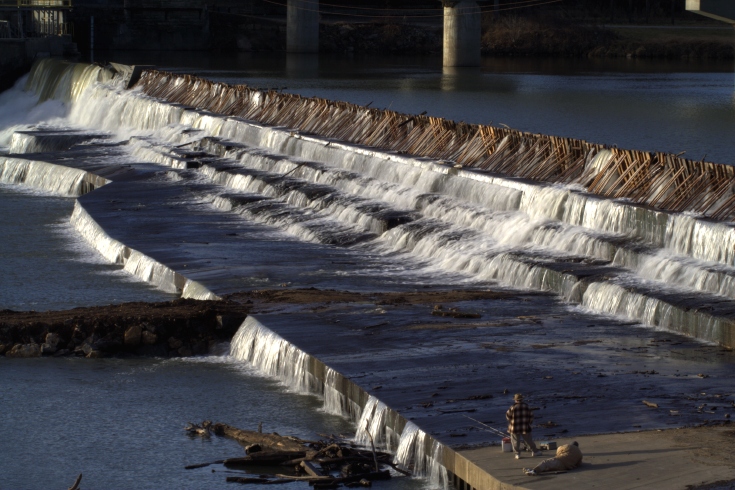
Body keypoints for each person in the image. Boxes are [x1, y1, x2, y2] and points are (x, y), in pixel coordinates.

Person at [506, 393, 540, 459]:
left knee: (515, 441)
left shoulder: (512, 407)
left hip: (514, 427)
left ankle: (517, 454)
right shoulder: (526, 406)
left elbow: (508, 416)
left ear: (515, 400)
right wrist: (529, 423)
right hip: (525, 427)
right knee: (529, 440)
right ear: (522, 399)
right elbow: (531, 416)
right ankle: (535, 451)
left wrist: (511, 422)